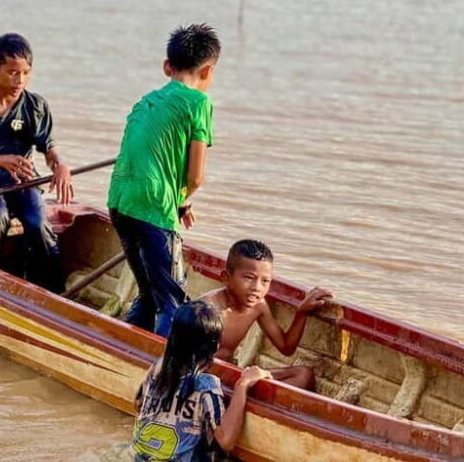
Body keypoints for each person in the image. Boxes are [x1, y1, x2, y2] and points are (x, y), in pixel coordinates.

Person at [108, 23, 220, 337]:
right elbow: (196, 177)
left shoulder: (144, 101)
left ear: (167, 66)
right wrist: (180, 200)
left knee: (149, 291)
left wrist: (178, 201)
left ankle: (125, 348)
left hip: (119, 201)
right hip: (154, 206)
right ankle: (164, 374)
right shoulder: (199, 103)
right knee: (172, 300)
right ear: (208, 71)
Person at [0, 33, 73, 292]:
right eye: (12, 72)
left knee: (37, 221)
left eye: (25, 73)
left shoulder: (36, 106)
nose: (19, 80)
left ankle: (53, 289)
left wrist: (61, 165)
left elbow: (49, 148)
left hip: (24, 181)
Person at [131, 300, 270, 461]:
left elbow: (138, 405)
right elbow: (226, 441)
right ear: (216, 345)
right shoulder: (206, 385)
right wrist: (242, 384)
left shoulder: (157, 370)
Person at [201, 240, 333, 390]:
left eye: (265, 281)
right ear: (226, 278)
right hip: (206, 379)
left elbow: (286, 347)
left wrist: (301, 313)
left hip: (234, 376)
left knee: (303, 375)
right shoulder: (207, 309)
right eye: (249, 278)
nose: (257, 288)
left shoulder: (258, 305)